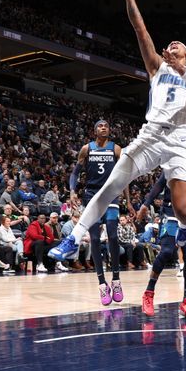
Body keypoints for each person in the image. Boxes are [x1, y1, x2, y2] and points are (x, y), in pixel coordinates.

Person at [50, 0, 186, 277]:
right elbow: (140, 28)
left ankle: (183, 229)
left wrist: (179, 66)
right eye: (171, 44)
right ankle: (73, 237)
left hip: (179, 139)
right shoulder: (157, 67)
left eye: (179, 45)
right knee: (109, 187)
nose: (172, 45)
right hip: (150, 136)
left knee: (182, 208)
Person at [136, 129, 186, 320]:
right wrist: (146, 204)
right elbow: (160, 183)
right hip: (171, 211)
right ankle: (148, 293)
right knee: (165, 252)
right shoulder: (179, 157)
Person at [67, 119, 133, 305]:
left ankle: (117, 280)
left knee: (112, 235)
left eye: (106, 126)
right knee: (95, 239)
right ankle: (102, 284)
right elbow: (74, 174)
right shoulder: (86, 149)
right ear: (95, 130)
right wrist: (72, 191)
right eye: (100, 126)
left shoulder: (116, 149)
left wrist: (128, 201)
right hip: (91, 196)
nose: (104, 127)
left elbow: (125, 176)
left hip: (111, 195)